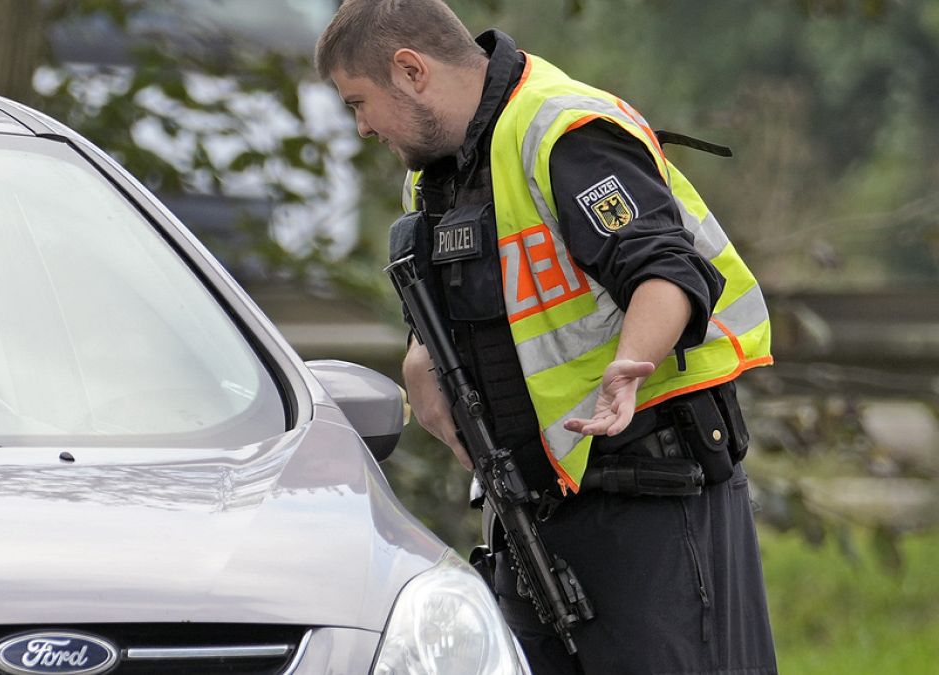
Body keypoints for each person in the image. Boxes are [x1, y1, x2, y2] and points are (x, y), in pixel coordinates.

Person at [315, 1, 779, 674]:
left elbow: (669, 272)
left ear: (409, 70)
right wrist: (423, 360)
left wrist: (632, 364)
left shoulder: (562, 131)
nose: (360, 127)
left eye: (359, 101)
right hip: (535, 517)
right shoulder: (440, 175)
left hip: (648, 499)